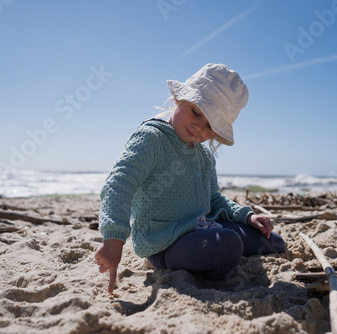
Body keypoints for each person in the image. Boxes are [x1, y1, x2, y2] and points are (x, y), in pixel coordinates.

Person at [95, 63, 286, 294]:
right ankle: (189, 261)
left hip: (200, 227)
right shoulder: (151, 139)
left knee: (273, 242)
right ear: (179, 99)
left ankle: (212, 250)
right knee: (228, 245)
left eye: (210, 127)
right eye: (196, 112)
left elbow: (214, 200)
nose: (199, 128)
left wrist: (247, 216)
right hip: (163, 242)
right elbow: (119, 184)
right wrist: (113, 239)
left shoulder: (204, 154)